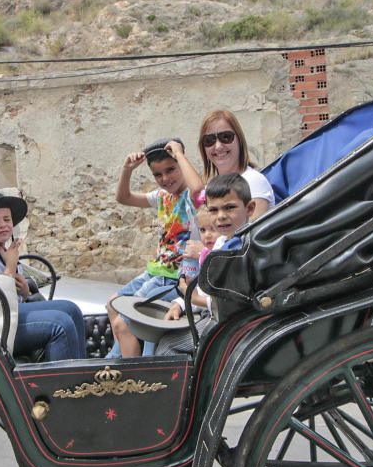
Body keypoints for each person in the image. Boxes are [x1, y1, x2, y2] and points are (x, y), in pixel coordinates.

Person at [0, 192, 86, 362]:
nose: (3, 225)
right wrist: (10, 267)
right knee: (61, 323)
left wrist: (26, 293)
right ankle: (63, 385)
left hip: (15, 315)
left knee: (72, 309)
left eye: (7, 219)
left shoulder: (8, 253)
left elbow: (20, 299)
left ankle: (83, 375)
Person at [107, 137, 202, 358]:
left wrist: (179, 154)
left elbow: (198, 189)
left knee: (124, 323)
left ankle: (132, 373)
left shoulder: (191, 198)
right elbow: (123, 198)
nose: (165, 178)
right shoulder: (163, 196)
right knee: (112, 303)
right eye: (158, 174)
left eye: (171, 170)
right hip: (156, 272)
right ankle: (125, 351)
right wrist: (127, 169)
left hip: (174, 277)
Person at [157, 173, 255, 355]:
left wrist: (192, 299)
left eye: (230, 208)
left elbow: (231, 302)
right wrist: (180, 302)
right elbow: (205, 290)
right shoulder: (222, 243)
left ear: (250, 208)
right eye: (214, 210)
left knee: (168, 346)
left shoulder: (241, 249)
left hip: (232, 323)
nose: (221, 216)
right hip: (213, 315)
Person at [181, 109, 275, 218]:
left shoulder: (253, 182)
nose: (218, 146)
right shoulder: (210, 188)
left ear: (239, 140)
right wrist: (178, 154)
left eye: (226, 137)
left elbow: (251, 233)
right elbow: (195, 196)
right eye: (209, 140)